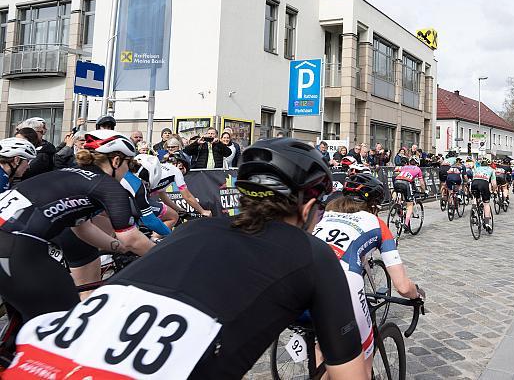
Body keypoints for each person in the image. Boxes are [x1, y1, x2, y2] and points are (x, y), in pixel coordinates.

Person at [6, 138, 368, 379]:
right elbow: (350, 373)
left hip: (39, 362)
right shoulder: (314, 253)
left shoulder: (195, 231)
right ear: (307, 207)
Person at [0, 131, 155, 323]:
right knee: (68, 322)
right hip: (16, 247)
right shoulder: (108, 186)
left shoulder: (67, 173)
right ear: (116, 161)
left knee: (25, 325)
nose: (128, 171)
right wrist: (162, 254)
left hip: (10, 242)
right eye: (129, 164)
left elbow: (81, 228)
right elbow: (131, 238)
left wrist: (118, 247)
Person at [314, 173, 424, 374]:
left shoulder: (325, 213)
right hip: (341, 283)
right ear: (373, 205)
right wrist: (417, 295)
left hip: (299, 279)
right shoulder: (376, 223)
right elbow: (402, 286)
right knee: (360, 364)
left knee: (322, 345)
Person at [155, 150, 212, 219]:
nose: (182, 173)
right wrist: (202, 211)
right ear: (180, 165)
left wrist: (180, 210)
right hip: (141, 196)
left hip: (141, 193)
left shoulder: (162, 166)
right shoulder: (176, 171)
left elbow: (164, 198)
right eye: (183, 170)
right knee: (173, 217)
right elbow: (187, 196)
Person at [392, 156, 426, 231]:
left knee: (401, 198)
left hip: (397, 181)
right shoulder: (418, 169)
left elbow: (396, 169)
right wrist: (423, 191)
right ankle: (406, 224)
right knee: (410, 204)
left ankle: (398, 206)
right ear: (417, 163)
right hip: (406, 183)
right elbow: (422, 183)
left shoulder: (404, 167)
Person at [471, 158, 497, 230]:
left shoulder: (477, 168)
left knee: (476, 197)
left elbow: (473, 177)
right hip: (484, 183)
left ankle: (474, 207)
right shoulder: (491, 170)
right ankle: (487, 223)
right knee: (486, 203)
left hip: (474, 183)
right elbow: (494, 184)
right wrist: (494, 191)